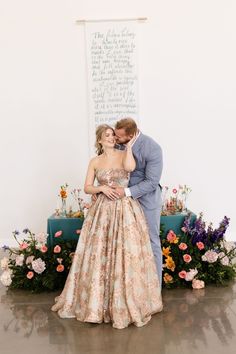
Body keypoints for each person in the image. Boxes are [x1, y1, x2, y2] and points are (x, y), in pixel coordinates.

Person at [51, 124, 163, 329]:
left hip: (125, 209)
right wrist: (100, 187)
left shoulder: (123, 154)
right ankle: (98, 302)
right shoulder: (95, 161)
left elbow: (130, 168)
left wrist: (128, 146)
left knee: (126, 251)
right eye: (108, 135)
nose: (112, 138)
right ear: (100, 140)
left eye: (113, 135)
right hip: (102, 210)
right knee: (100, 251)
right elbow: (87, 187)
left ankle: (127, 299)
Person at [114, 118, 163, 287]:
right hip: (121, 202)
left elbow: (151, 182)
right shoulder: (117, 143)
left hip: (147, 200)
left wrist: (126, 192)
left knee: (151, 241)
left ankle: (155, 288)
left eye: (119, 137)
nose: (116, 139)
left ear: (131, 135)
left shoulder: (153, 148)